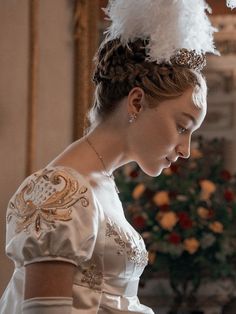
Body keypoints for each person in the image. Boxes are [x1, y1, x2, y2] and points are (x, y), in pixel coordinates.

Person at [1, 0, 235, 313]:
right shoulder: (61, 190)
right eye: (182, 126)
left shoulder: (102, 184)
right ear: (136, 102)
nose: (186, 149)